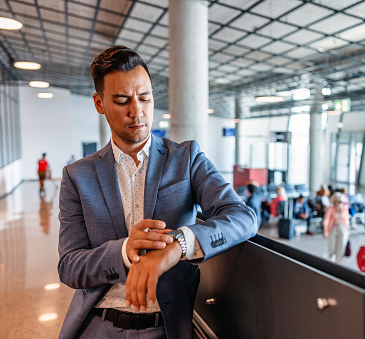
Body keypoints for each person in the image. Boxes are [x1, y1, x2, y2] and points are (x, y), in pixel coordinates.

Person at [57, 46, 257, 339]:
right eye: (122, 100)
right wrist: (125, 251)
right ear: (99, 104)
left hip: (165, 328)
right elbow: (69, 266)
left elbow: (243, 217)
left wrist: (179, 245)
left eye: (145, 97)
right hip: (98, 327)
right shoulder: (77, 176)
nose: (136, 111)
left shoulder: (186, 158)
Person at [322, 192, 350, 264]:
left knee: (341, 245)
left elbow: (346, 221)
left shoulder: (344, 208)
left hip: (342, 227)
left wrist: (347, 231)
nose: (339, 203)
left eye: (340, 201)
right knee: (332, 246)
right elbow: (326, 220)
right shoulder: (330, 209)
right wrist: (325, 230)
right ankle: (331, 261)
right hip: (333, 227)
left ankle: (338, 262)